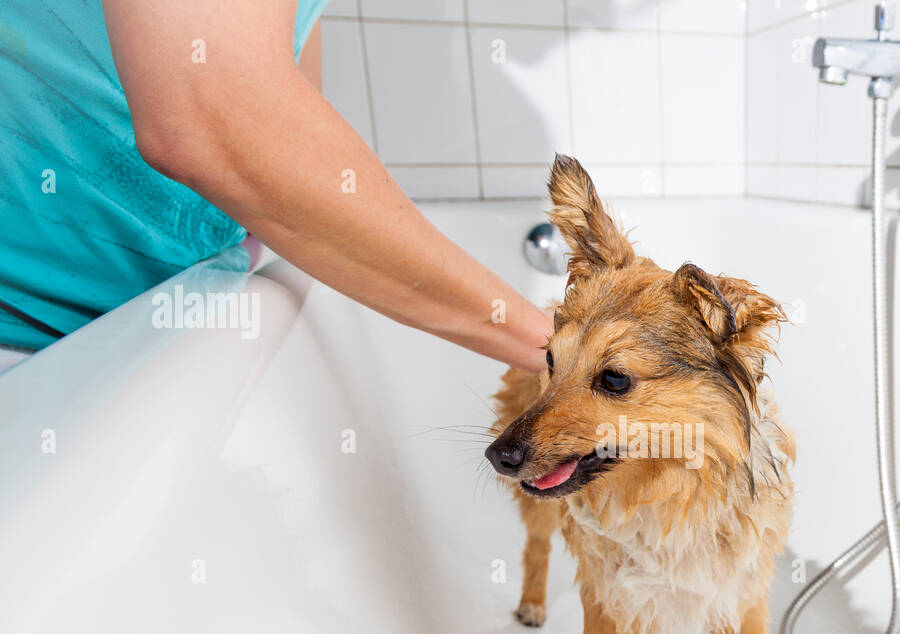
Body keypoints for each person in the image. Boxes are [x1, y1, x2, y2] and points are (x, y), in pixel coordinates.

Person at [0, 0, 552, 372]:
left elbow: (284, 119)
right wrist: (557, 348)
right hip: (32, 350)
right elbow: (209, 115)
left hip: (147, 324)